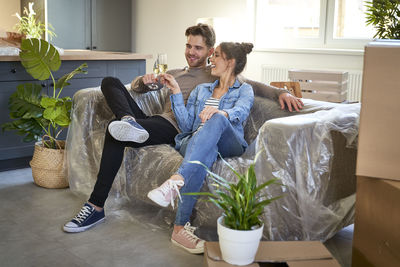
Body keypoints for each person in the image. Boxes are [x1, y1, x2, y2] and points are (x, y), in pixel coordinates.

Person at [63, 23, 303, 233]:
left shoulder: (215, 75)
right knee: (110, 82)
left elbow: (252, 86)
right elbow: (137, 89)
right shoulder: (174, 72)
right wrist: (144, 82)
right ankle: (128, 121)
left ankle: (95, 206)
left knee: (113, 134)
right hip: (155, 120)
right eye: (189, 46)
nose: (191, 52)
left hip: (175, 127)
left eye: (198, 48)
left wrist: (281, 91)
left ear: (210, 52)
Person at [147, 42, 255, 254]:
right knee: (204, 155)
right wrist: (176, 92)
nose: (211, 60)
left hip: (229, 143)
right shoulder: (201, 90)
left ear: (230, 62)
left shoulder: (244, 90)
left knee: (218, 119)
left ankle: (176, 180)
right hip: (197, 143)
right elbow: (187, 126)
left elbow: (241, 111)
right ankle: (179, 230)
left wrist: (222, 114)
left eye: (217, 56)